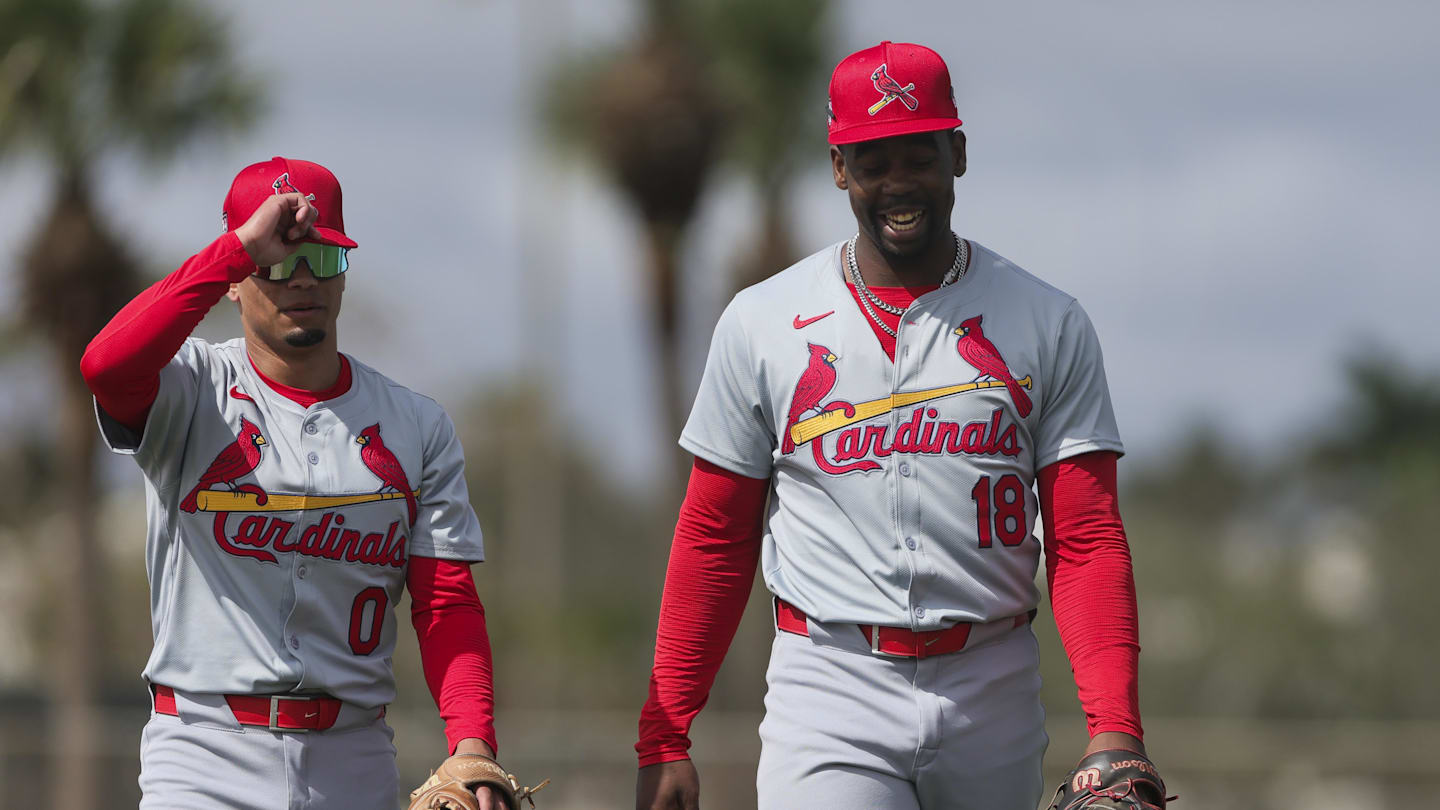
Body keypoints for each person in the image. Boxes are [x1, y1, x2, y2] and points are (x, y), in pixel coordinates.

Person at [636, 41, 1162, 809]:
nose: (897, 183)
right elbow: (714, 536)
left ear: (957, 152)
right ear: (840, 168)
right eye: (872, 161)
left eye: (917, 155)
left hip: (993, 680)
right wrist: (665, 730)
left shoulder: (1046, 320)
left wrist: (1116, 726)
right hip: (830, 679)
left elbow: (1084, 536)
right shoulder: (763, 322)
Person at [81, 157, 511, 809]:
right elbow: (106, 365)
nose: (301, 279)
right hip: (203, 755)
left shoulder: (415, 425)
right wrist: (235, 250)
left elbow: (446, 602)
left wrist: (473, 740)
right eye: (278, 261)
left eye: (323, 259)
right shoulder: (189, 391)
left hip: (355, 760)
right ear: (236, 277)